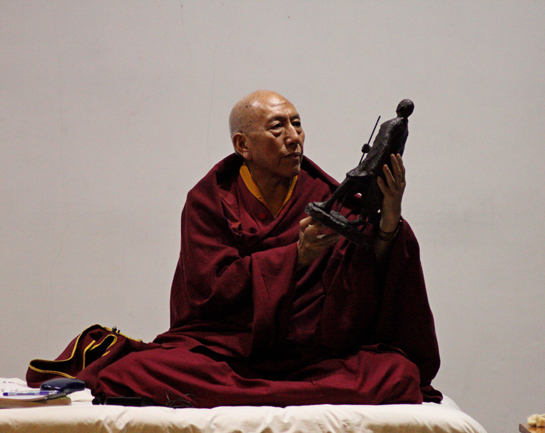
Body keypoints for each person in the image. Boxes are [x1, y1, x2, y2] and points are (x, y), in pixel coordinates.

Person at [34, 90, 442, 407]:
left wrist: (389, 220)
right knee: (140, 369)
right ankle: (278, 392)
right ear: (242, 145)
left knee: (398, 371)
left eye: (297, 124)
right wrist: (294, 257)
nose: (293, 138)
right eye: (277, 127)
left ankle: (262, 391)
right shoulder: (208, 200)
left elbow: (361, 281)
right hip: (231, 353)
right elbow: (210, 289)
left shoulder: (324, 194)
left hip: (311, 355)